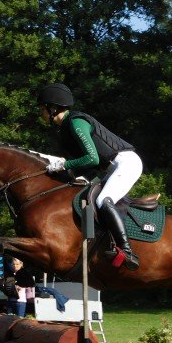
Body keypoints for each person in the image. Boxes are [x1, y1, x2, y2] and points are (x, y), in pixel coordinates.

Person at [37, 83, 142, 270]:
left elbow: (92, 158)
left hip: (125, 162)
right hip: (110, 168)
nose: (41, 113)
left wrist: (64, 165)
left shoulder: (76, 122)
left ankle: (126, 250)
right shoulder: (66, 129)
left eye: (42, 109)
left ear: (53, 108)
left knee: (103, 200)